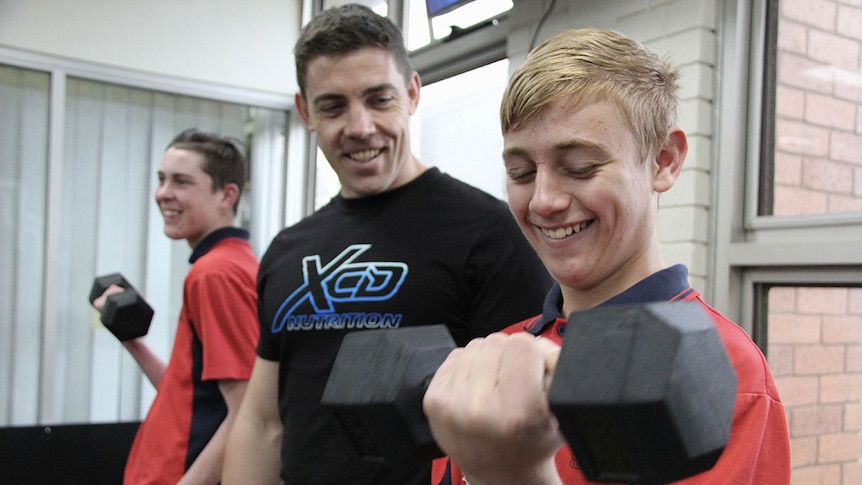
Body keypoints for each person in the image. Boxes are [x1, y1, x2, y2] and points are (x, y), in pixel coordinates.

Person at [422, 28, 792, 485]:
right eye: (521, 172)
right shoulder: (500, 358)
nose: (542, 201)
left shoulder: (728, 371)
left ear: (664, 161)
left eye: (580, 167)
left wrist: (518, 475)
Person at [222, 4, 552, 485]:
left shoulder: (489, 234)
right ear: (305, 111)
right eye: (333, 106)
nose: (359, 127)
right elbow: (262, 422)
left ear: (412, 93)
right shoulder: (288, 250)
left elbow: (519, 420)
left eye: (379, 100)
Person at [91, 128, 259, 485]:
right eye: (162, 179)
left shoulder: (215, 273)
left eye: (182, 182)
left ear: (227, 195)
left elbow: (247, 409)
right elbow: (193, 395)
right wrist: (131, 341)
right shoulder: (228, 263)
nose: (164, 193)